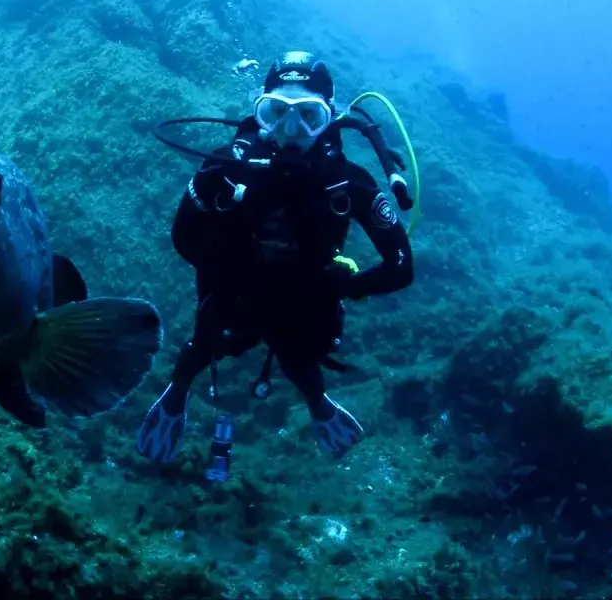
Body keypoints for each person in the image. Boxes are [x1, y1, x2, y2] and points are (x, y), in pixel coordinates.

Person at [137, 51, 415, 463]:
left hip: (307, 298)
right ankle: (176, 395)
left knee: (299, 354)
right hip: (235, 293)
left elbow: (401, 266)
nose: (291, 131)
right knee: (206, 342)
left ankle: (319, 406)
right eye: (275, 112)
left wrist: (345, 285)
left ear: (330, 118)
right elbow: (183, 235)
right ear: (260, 110)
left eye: (308, 116)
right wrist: (224, 267)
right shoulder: (228, 166)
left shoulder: (348, 183)